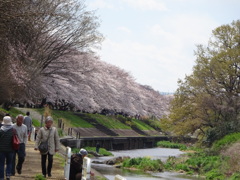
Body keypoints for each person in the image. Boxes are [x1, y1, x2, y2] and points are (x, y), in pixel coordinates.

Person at [0, 116, 14, 180]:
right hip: (10, 149)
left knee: (1, 164)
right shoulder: (13, 130)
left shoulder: (0, 130)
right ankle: (8, 175)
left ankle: (1, 177)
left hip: (1, 149)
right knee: (9, 163)